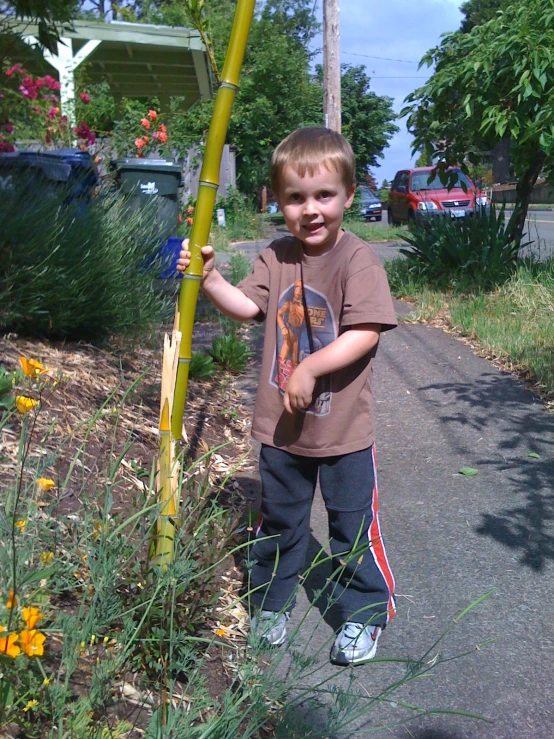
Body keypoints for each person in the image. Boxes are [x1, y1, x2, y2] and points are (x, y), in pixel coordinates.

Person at [177, 127, 397, 666]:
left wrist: (310, 368)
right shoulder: (276, 256)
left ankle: (365, 612)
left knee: (351, 530)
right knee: (280, 520)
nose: (311, 209)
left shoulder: (358, 260)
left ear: (348, 195)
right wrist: (208, 280)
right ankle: (271, 603)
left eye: (324, 195)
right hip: (282, 430)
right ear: (279, 202)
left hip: (343, 432)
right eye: (296, 198)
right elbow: (248, 307)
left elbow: (364, 332)